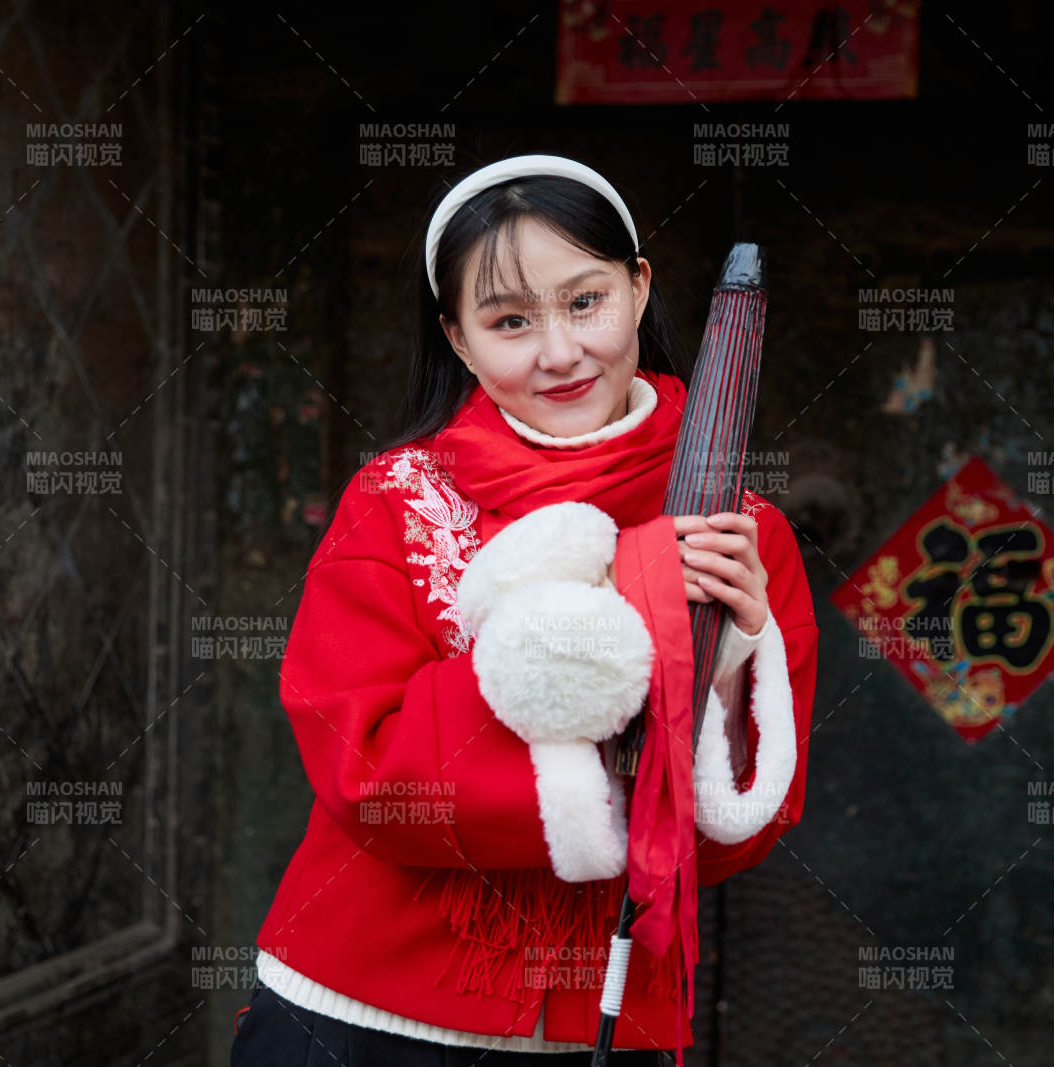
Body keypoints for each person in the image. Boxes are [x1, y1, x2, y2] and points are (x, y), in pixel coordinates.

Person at [230, 155, 820, 1066]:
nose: (559, 351)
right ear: (459, 339)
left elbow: (733, 832)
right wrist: (624, 612)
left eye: (586, 302)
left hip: (608, 1020)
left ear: (638, 286)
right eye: (510, 320)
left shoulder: (737, 531)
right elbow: (365, 770)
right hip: (356, 1016)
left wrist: (728, 658)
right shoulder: (398, 499)